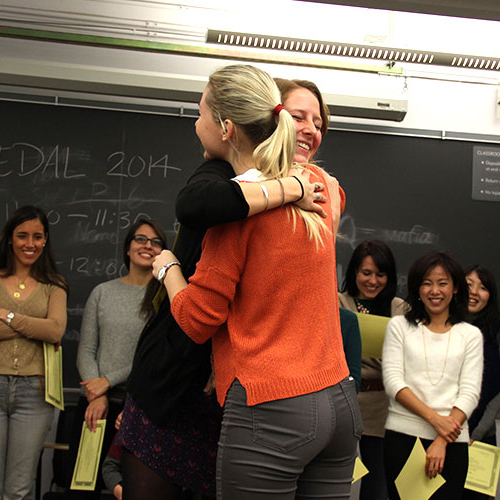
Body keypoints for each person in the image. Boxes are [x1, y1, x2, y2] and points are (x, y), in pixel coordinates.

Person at [120, 75, 339, 500]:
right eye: (297, 117)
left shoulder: (319, 191)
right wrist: (287, 188)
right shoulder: (227, 173)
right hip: (176, 378)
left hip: (248, 393)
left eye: (318, 121)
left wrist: (299, 186)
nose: (308, 129)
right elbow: (197, 205)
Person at [66, 218, 167, 498]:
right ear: (127, 248)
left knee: (129, 491)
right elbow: (86, 349)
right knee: (82, 488)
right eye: (140, 239)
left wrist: (107, 382)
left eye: (156, 242)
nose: (148, 246)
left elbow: (154, 359)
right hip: (94, 406)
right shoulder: (102, 292)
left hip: (138, 409)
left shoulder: (164, 300)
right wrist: (96, 393)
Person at [382, 251, 483, 499]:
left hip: (452, 441)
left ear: (456, 288)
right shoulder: (399, 326)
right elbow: (394, 382)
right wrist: (436, 420)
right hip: (403, 437)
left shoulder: (470, 335)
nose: (434, 291)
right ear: (417, 287)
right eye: (427, 283)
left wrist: (441, 438)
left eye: (442, 283)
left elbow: (469, 392)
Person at [0, 205, 68, 500]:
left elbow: (55, 332)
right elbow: (46, 329)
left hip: (35, 393)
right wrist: (34, 327)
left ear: (45, 240)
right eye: (22, 236)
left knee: (18, 488)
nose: (30, 244)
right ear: (10, 239)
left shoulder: (55, 285)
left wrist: (8, 316)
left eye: (37, 237)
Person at [339, 239, 406, 500]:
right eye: (366, 273)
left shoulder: (399, 308)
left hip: (383, 407)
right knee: (335, 479)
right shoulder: (338, 302)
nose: (373, 281)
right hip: (344, 402)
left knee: (377, 484)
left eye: (380, 274)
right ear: (354, 272)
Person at [463, 265, 500, 500]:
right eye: (468, 285)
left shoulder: (495, 334)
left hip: (481, 437)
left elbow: (496, 393)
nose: (474, 292)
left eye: (483, 287)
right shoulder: (445, 327)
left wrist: (478, 431)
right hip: (446, 434)